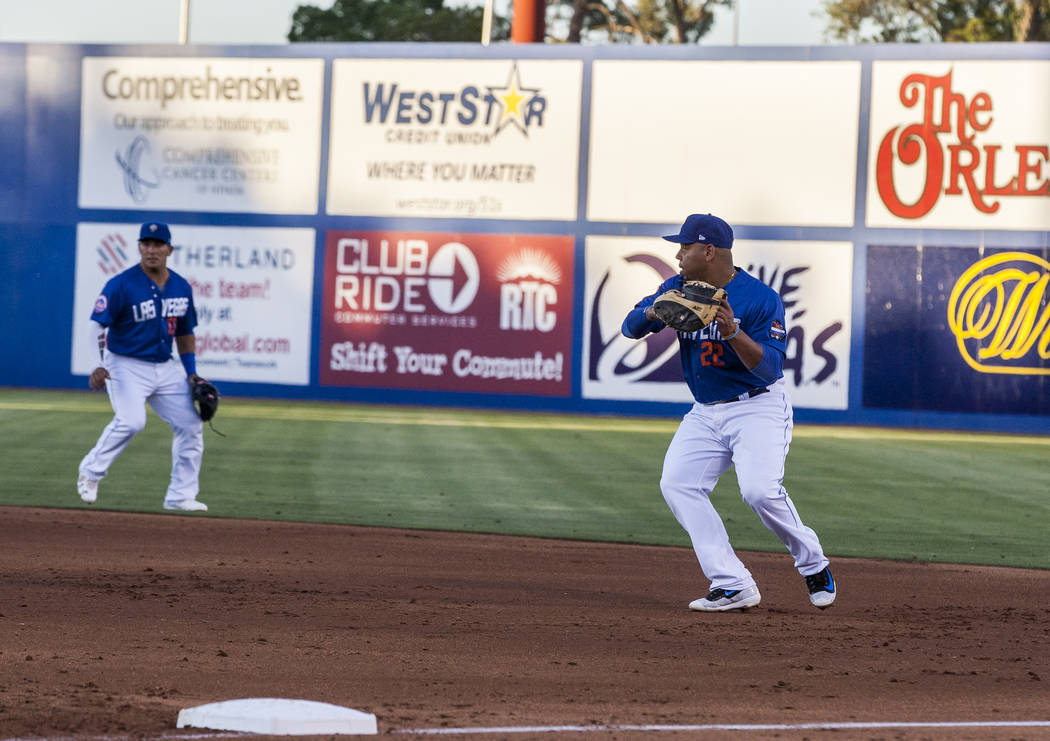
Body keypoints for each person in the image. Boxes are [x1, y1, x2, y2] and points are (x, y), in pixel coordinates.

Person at [621, 213, 835, 611]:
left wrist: (733, 332)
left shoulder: (760, 298)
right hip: (705, 411)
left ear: (708, 251)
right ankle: (732, 582)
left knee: (759, 491)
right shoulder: (676, 286)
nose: (679, 254)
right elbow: (629, 328)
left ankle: (813, 563)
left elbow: (770, 368)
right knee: (678, 484)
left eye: (685, 247)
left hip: (758, 406)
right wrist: (654, 312)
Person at [77, 222, 208, 513]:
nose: (152, 250)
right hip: (124, 364)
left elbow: (185, 334)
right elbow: (95, 325)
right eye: (146, 244)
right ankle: (90, 472)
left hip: (164, 367)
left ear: (169, 250)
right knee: (131, 421)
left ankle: (180, 496)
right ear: (139, 247)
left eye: (158, 244)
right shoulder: (122, 284)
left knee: (191, 425)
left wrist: (191, 373)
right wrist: (97, 364)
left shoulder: (181, 286)